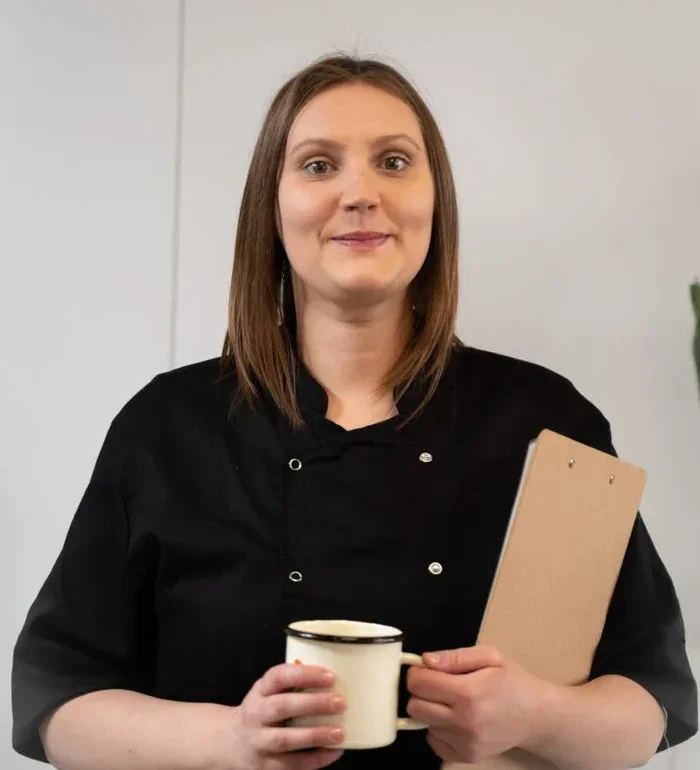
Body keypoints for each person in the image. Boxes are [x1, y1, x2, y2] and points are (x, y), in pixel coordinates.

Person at [11, 53, 698, 770]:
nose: (360, 193)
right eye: (317, 165)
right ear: (271, 207)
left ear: (436, 201)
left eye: (395, 162)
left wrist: (538, 715)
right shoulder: (166, 427)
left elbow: (653, 701)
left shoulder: (546, 422)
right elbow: (54, 700)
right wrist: (231, 741)